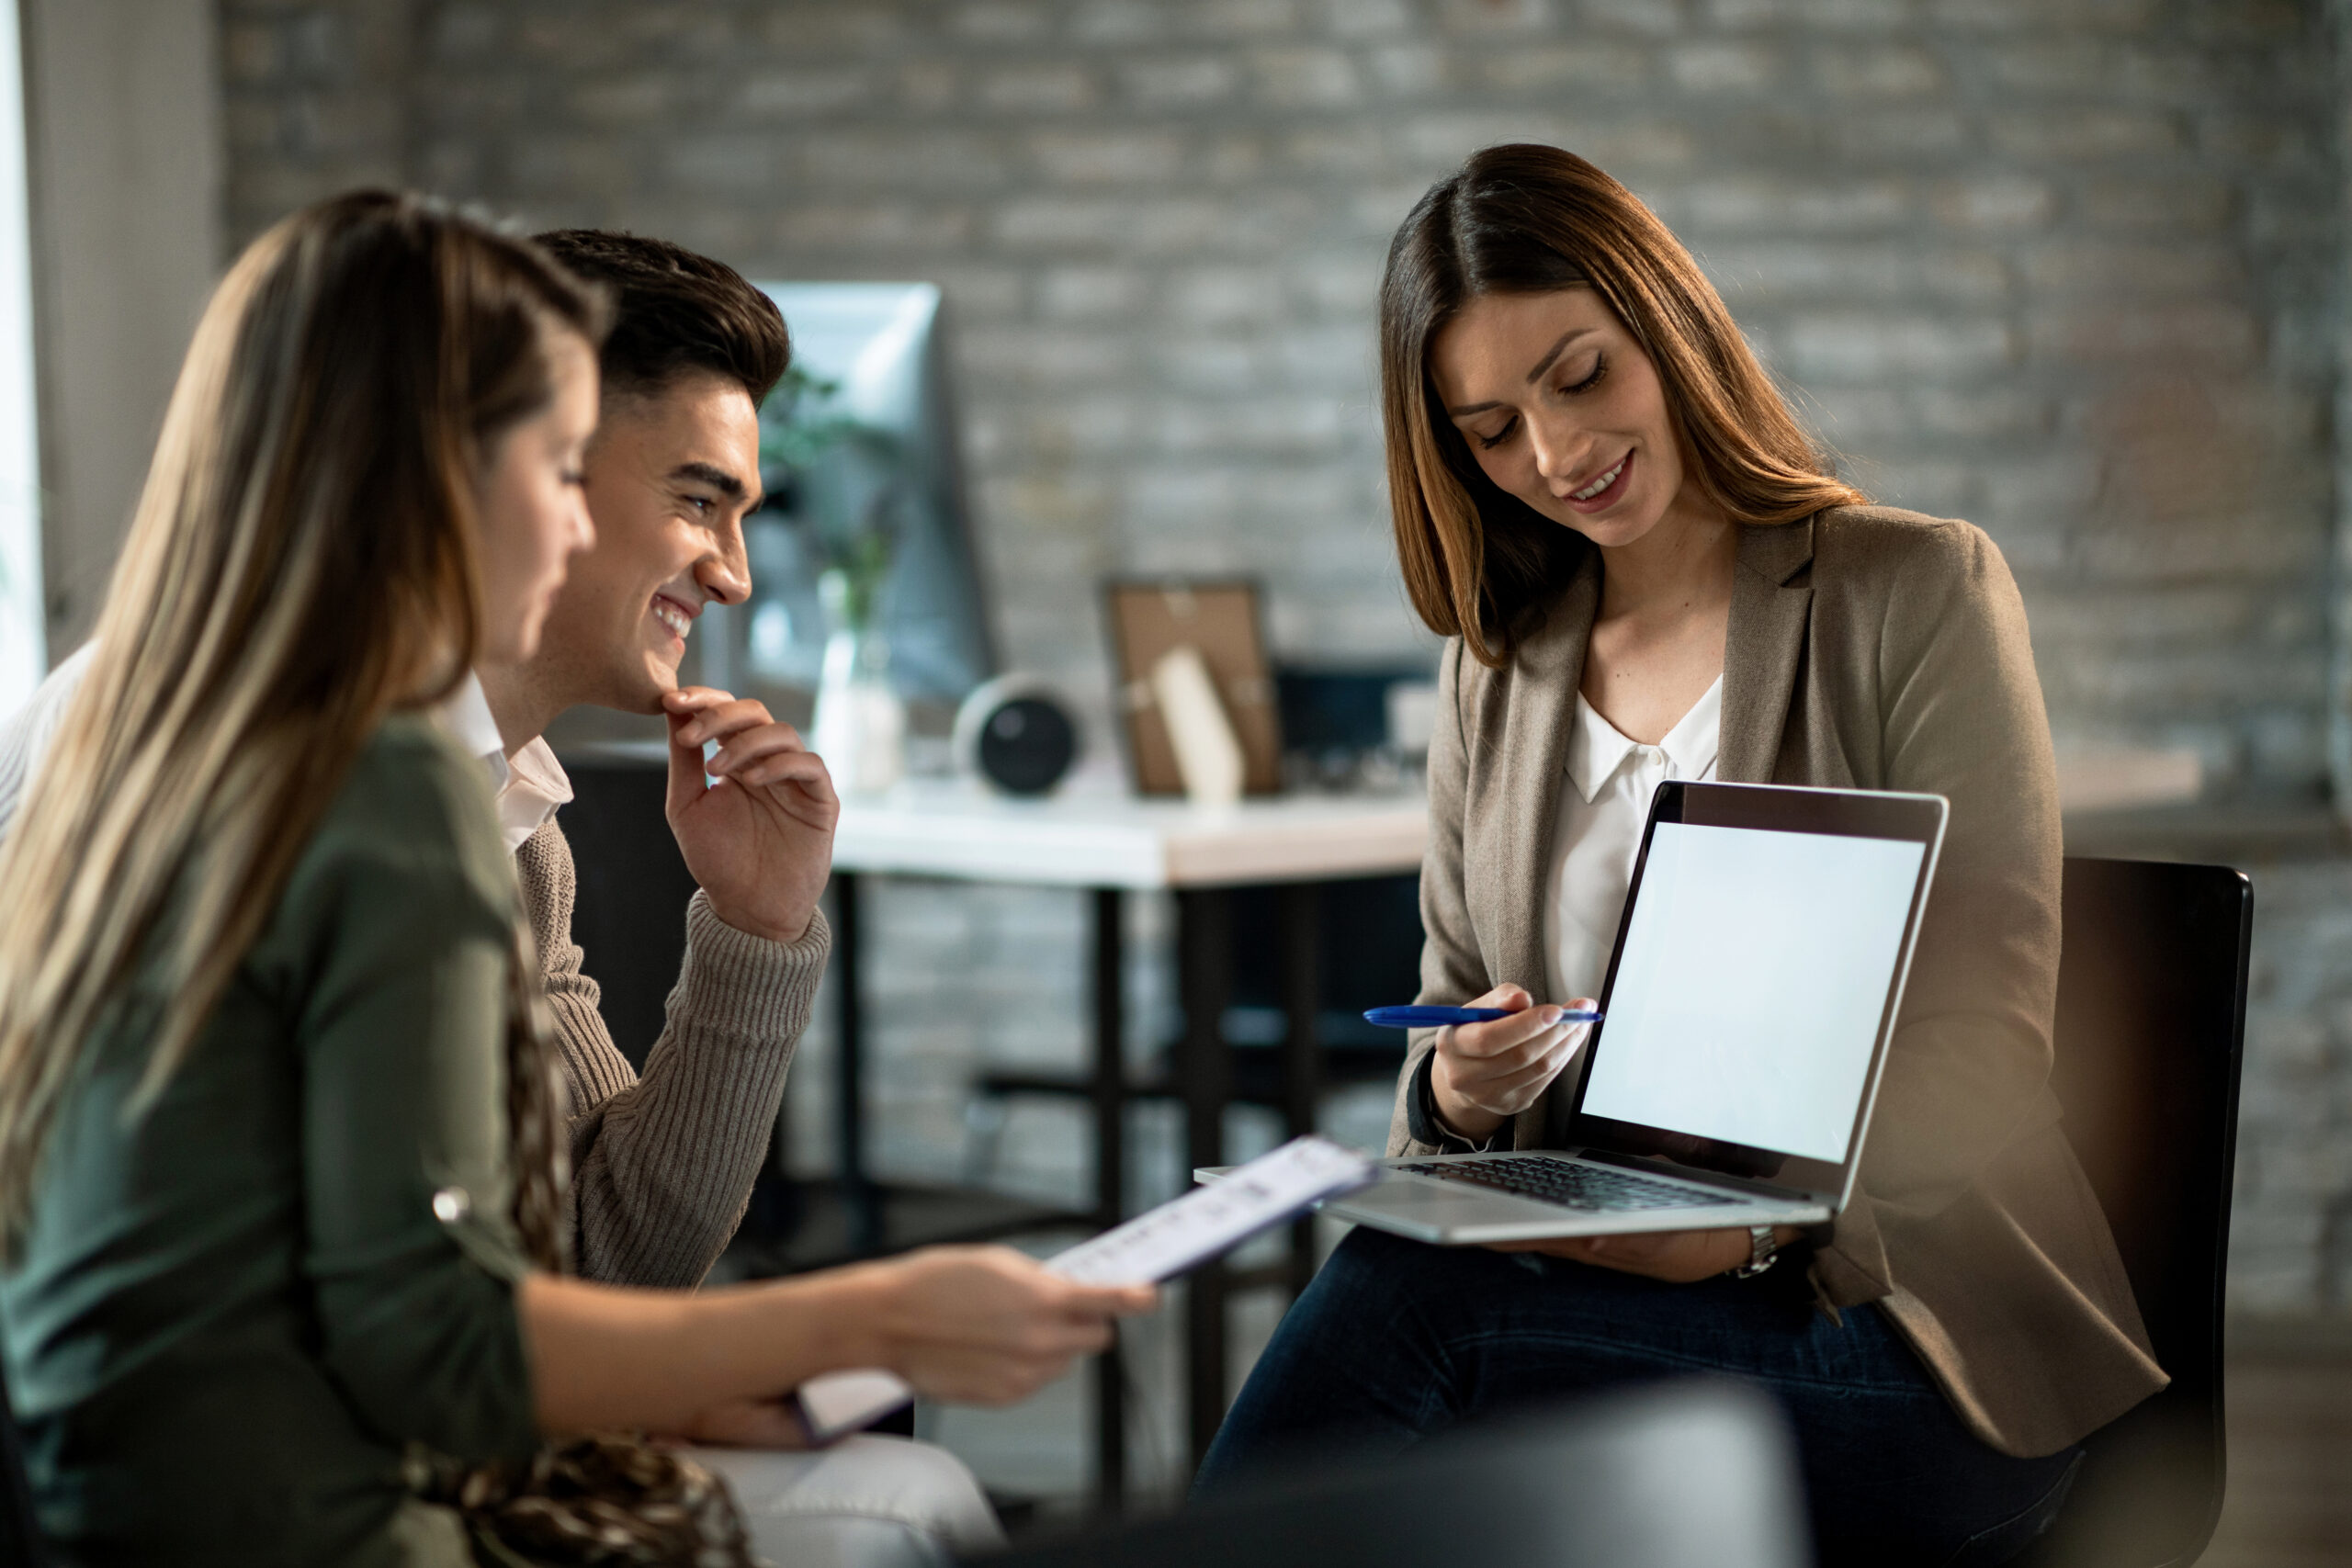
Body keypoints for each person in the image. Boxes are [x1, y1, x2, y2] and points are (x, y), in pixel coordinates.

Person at [0, 191, 1152, 1568]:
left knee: (887, 1487)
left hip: (184, 1491)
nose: (730, 577)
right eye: (556, 467)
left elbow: (575, 1257)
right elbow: (439, 1337)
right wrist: (867, 1318)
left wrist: (757, 928)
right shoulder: (371, 782)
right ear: (436, 468)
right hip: (318, 1517)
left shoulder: (458, 783)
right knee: (903, 1510)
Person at [1193, 145, 2165, 1566]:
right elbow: (1444, 1038)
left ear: (1666, 324)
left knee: (1408, 1318)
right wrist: (1461, 1089)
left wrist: (1754, 1235)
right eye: (1491, 430)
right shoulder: (1498, 670)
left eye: (1580, 377)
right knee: (1409, 1315)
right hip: (1608, 1296)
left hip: (1899, 1327)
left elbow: (1990, 1049)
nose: (1556, 454)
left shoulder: (1912, 590)